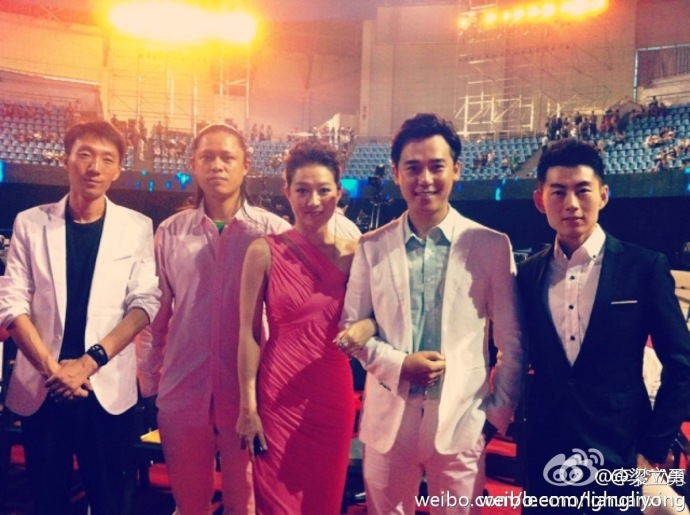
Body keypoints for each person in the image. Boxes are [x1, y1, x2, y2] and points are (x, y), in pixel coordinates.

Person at [339, 113, 525, 514]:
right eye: (413, 167)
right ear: (396, 173)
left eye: (436, 166)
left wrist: (495, 416)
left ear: (456, 169)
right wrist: (399, 365)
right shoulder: (372, 246)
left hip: (463, 421)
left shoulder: (491, 245)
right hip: (388, 421)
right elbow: (351, 329)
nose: (424, 179)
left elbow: (511, 343)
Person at [517, 139, 690, 513]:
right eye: (558, 192)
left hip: (620, 451)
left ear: (604, 195)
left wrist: (654, 445)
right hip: (546, 451)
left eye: (583, 190)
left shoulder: (644, 267)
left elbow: (682, 363)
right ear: (540, 200)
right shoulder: (527, 275)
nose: (571, 204)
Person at [0, 120, 160, 515]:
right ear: (66, 159)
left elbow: (144, 304)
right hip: (44, 385)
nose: (94, 167)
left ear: (118, 169)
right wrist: (54, 370)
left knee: (110, 503)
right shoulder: (30, 223)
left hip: (105, 388)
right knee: (48, 502)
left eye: (107, 159)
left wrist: (88, 363)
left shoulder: (137, 227)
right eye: (85, 154)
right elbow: (12, 302)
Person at [137, 123, 290, 515]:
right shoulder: (171, 233)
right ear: (193, 164)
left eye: (227, 157)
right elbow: (156, 317)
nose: (217, 166)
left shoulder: (274, 233)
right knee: (190, 504)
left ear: (246, 165)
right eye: (207, 157)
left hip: (250, 397)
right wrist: (150, 382)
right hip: (183, 390)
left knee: (246, 505)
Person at [236, 140, 373, 514]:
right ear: (287, 193)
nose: (313, 201)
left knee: (323, 503)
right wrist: (248, 407)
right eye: (302, 190)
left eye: (324, 190)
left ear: (339, 193)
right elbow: (248, 334)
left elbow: (382, 315)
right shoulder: (263, 251)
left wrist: (368, 325)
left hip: (331, 398)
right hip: (275, 400)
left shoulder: (358, 254)